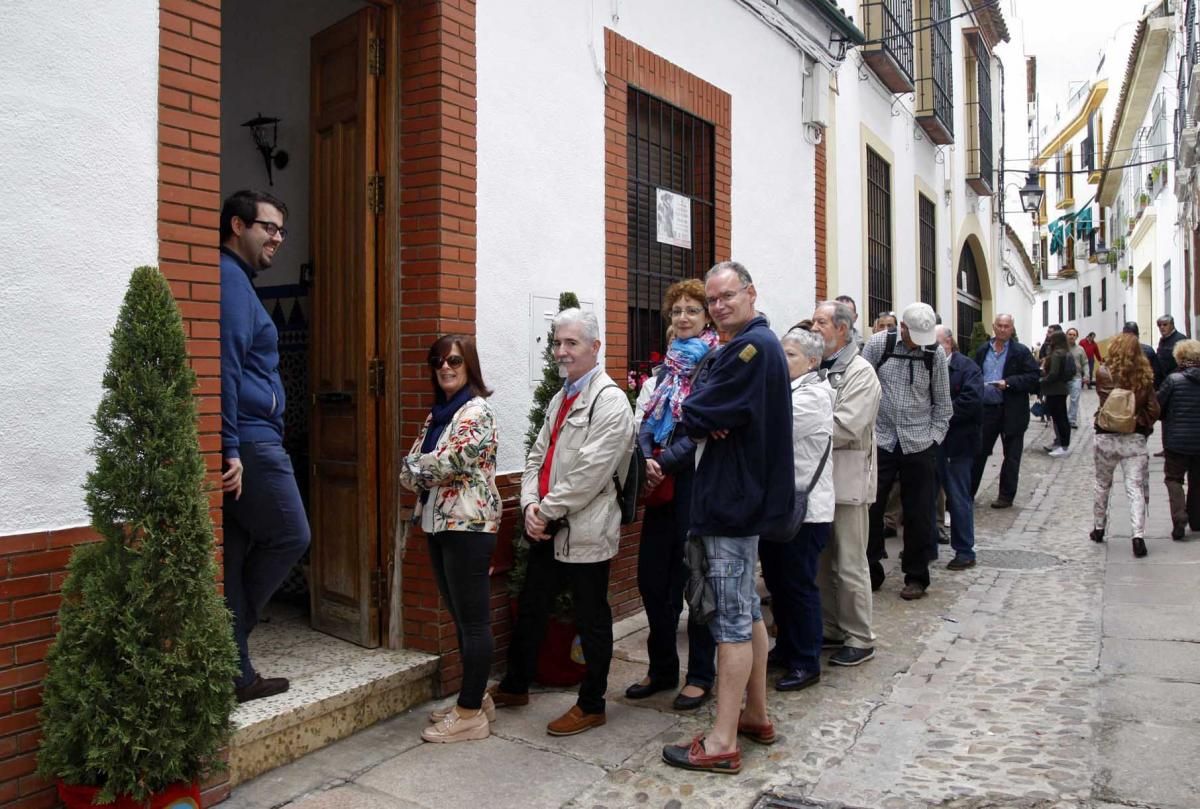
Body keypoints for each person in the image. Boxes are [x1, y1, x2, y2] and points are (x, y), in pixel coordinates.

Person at [661, 262, 792, 775]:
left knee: (732, 622)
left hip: (733, 503)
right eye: (711, 299)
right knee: (749, 612)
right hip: (741, 500)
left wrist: (706, 411)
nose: (717, 306)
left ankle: (721, 741)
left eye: (725, 296)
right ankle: (756, 714)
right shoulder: (751, 347)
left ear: (750, 293)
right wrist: (709, 412)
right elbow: (704, 412)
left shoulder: (749, 349)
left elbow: (691, 413)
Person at [489, 309, 634, 736]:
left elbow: (590, 474)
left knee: (591, 618)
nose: (562, 351)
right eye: (557, 343)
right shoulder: (560, 397)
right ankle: (516, 685)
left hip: (585, 527)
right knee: (533, 608)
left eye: (571, 343)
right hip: (548, 522)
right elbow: (537, 457)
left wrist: (545, 511)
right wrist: (531, 504)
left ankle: (592, 703)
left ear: (595, 347)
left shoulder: (610, 402)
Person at [219, 190, 311, 703]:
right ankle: (226, 646)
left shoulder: (240, 284)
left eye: (280, 230)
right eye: (268, 227)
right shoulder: (230, 281)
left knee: (235, 555)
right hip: (251, 443)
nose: (277, 237)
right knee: (291, 536)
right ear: (238, 225)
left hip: (250, 437)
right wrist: (230, 445)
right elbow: (226, 366)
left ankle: (236, 670)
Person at [402, 336, 501, 743]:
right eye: (438, 361)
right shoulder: (439, 415)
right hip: (439, 523)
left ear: (469, 365)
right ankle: (476, 699)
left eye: (455, 361)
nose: (445, 367)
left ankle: (469, 715)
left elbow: (443, 464)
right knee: (461, 619)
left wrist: (417, 466)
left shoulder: (476, 411)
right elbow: (409, 474)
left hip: (468, 526)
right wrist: (418, 466)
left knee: (474, 622)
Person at [625, 280, 718, 711]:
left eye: (692, 310)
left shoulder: (715, 364)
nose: (682, 317)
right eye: (677, 310)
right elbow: (646, 420)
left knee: (695, 580)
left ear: (707, 318)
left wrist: (665, 461)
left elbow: (704, 428)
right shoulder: (665, 370)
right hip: (659, 485)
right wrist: (647, 459)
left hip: (696, 485)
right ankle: (661, 667)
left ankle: (700, 674)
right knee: (652, 579)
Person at [760, 328, 835, 692]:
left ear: (812, 361)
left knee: (799, 586)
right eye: (782, 353)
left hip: (806, 511)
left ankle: (807, 659)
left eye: (790, 355)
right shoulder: (785, 391)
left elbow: (773, 429)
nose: (782, 360)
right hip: (781, 507)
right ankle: (787, 648)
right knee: (779, 583)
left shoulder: (814, 396)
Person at [863, 302, 951, 600]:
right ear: (901, 327)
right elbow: (861, 386)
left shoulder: (934, 354)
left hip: (918, 442)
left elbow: (943, 403)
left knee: (919, 512)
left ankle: (916, 575)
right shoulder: (879, 345)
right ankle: (871, 567)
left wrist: (933, 438)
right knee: (871, 505)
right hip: (882, 438)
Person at [811, 301, 880, 667]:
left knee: (850, 560)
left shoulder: (860, 372)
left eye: (821, 322)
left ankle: (860, 635)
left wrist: (804, 427)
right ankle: (832, 627)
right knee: (823, 560)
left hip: (849, 477)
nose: (814, 327)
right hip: (820, 478)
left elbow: (848, 424)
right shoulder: (819, 368)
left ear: (842, 328)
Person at [1092, 333, 1160, 557]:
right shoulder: (1144, 376)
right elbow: (1154, 410)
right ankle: (1138, 536)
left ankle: (1099, 528)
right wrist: (1141, 425)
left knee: (1102, 484)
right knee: (1135, 488)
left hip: (1106, 437)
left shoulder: (1103, 372)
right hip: (1133, 439)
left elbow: (1104, 401)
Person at [970, 314, 1041, 509]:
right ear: (994, 327)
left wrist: (1009, 383)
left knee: (1011, 455)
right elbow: (974, 372)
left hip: (1012, 410)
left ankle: (1006, 496)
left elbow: (1033, 376)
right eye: (999, 326)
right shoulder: (983, 349)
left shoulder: (1021, 352)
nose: (1002, 329)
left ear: (1012, 329)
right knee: (979, 452)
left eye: (1006, 326)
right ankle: (968, 493)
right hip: (987, 409)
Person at [934, 326, 983, 570]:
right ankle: (926, 545)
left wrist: (940, 413)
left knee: (958, 496)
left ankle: (965, 550)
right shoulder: (929, 365)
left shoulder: (967, 368)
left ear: (949, 343)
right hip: (931, 443)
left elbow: (971, 402)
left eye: (936, 344)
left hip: (958, 443)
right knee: (927, 497)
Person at [1157, 339, 1200, 539]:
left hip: (1176, 441)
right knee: (1197, 480)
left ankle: (1179, 516)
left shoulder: (1173, 380)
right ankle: (1197, 519)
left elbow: (1158, 407)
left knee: (1174, 479)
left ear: (1179, 357)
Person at [1040, 331, 1073, 457]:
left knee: (1060, 418)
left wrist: (1042, 380)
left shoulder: (1057, 354)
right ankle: (1062, 444)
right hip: (1061, 388)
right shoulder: (1065, 352)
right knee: (1061, 417)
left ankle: (1063, 446)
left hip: (1055, 390)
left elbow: (1053, 373)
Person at [1122, 321, 1165, 389]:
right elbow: (1157, 375)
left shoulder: (1118, 352)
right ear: (1138, 335)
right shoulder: (1148, 350)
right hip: (1144, 390)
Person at [1066, 328, 1087, 428]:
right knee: (1062, 400)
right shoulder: (1063, 348)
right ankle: (1062, 419)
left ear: (1077, 337)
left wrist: (1086, 375)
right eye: (1070, 334)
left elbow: (1085, 363)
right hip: (1064, 378)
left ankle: (1071, 420)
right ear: (1066, 335)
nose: (1071, 336)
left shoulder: (1080, 349)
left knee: (1074, 399)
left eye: (1074, 335)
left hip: (1076, 377)